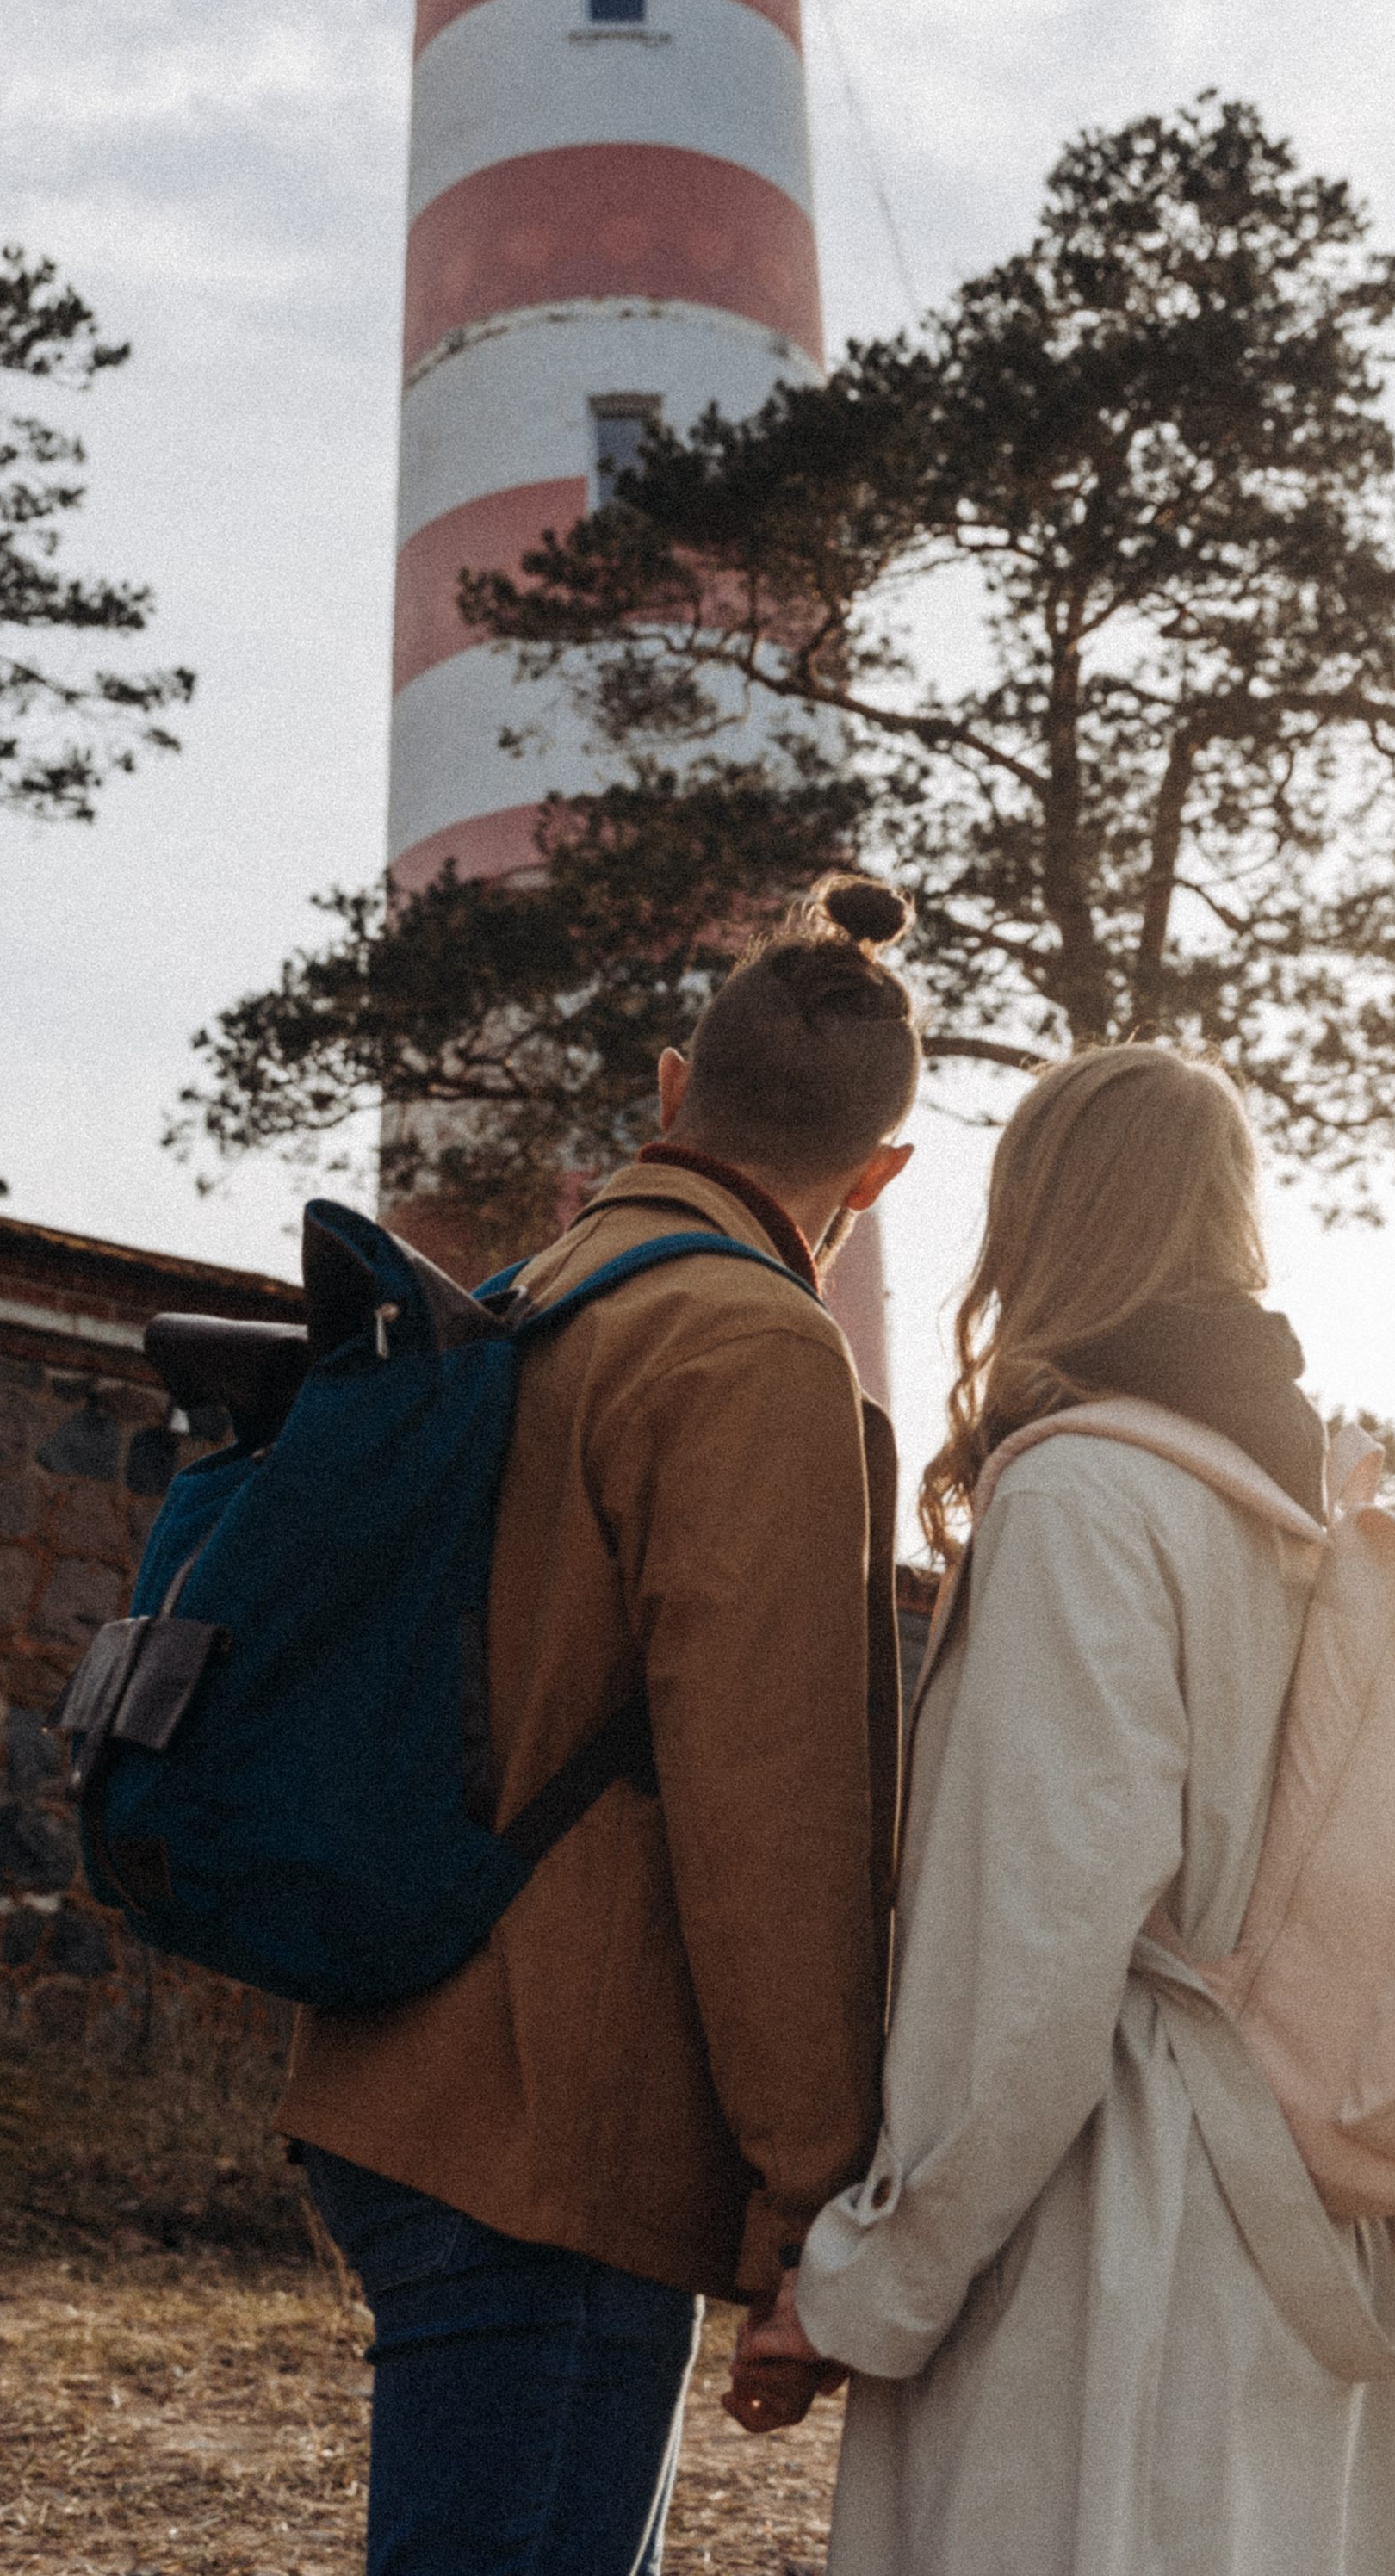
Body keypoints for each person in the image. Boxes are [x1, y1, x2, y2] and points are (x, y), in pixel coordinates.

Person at [728, 1044, 1395, 2576]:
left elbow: (1032, 1959)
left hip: (1126, 2240)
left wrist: (864, 2281)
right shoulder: (1308, 1511)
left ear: (1038, 1226)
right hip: (1304, 2226)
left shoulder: (1084, 1501)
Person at [280, 876, 921, 2576]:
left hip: (403, 2061)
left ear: (664, 1091)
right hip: (561, 2132)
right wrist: (810, 2192)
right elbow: (767, 1818)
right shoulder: (753, 1352)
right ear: (879, 1177)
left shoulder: (531, 1292)